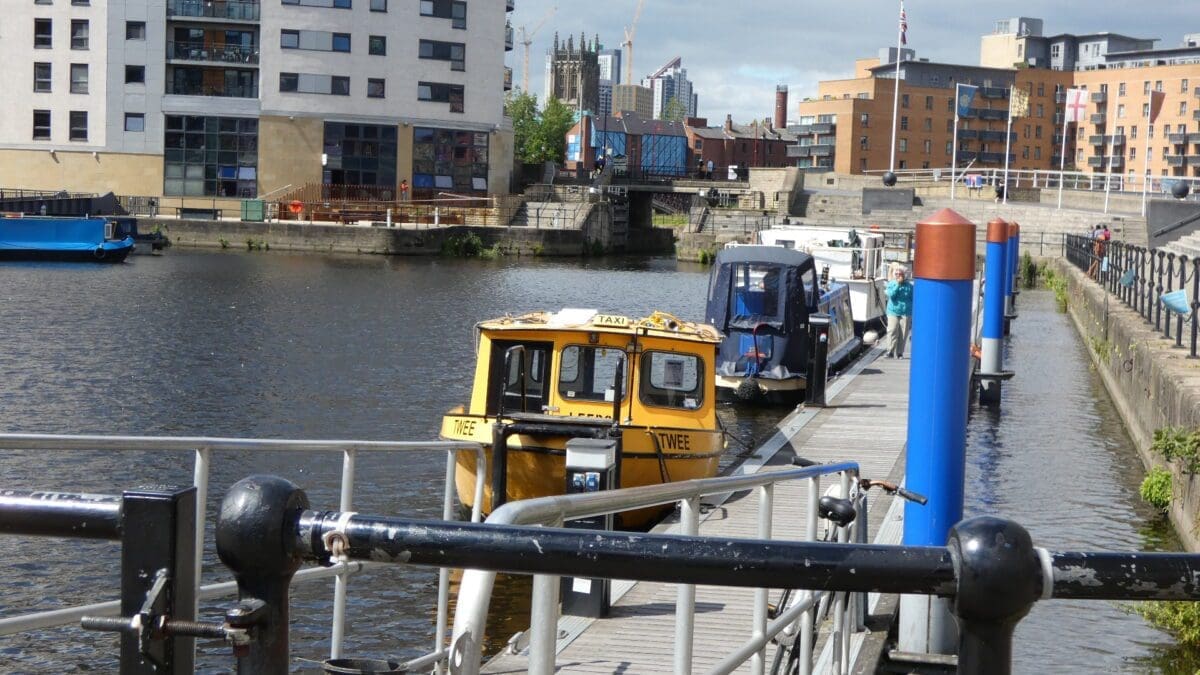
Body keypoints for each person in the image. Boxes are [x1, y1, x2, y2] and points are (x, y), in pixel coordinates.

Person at [884, 265, 913, 359]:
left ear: (904, 275)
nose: (898, 275)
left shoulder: (909, 286)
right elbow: (891, 295)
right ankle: (890, 351)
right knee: (892, 331)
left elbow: (913, 299)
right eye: (896, 274)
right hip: (893, 311)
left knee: (903, 333)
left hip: (905, 312)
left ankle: (900, 352)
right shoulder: (891, 284)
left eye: (900, 274)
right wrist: (897, 284)